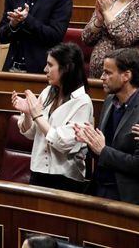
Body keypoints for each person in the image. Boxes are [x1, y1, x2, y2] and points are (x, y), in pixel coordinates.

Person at [12, 43, 93, 193]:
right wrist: (28, 113)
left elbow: (64, 143)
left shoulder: (83, 102)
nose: (45, 70)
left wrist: (37, 115)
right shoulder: (48, 92)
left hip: (65, 179)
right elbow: (30, 134)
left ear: (67, 67)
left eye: (50, 65)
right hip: (38, 172)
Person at [74, 48, 139, 205]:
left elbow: (137, 164)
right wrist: (89, 141)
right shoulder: (109, 101)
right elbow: (100, 149)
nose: (102, 77)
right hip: (99, 187)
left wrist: (103, 150)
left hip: (126, 195)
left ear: (126, 76)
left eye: (108, 73)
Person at [82, 0, 139, 79]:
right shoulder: (109, 0)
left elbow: (126, 38)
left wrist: (107, 13)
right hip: (96, 76)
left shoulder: (136, 4)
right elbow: (86, 38)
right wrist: (99, 21)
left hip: (124, 77)